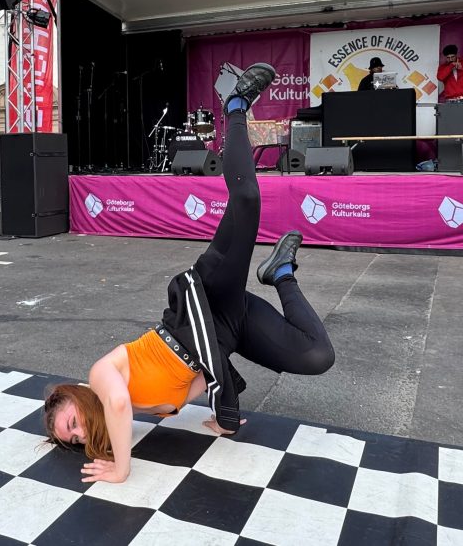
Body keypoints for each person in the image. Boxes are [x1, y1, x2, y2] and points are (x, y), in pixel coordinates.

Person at [43, 64, 335, 484]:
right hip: (229, 328)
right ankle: (282, 272)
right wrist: (222, 414)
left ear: (74, 397)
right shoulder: (144, 408)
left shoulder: (101, 377)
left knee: (247, 199)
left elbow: (120, 407)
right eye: (73, 439)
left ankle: (235, 106)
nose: (79, 433)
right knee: (317, 357)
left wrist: (121, 470)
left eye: (71, 423)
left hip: (205, 299)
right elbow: (201, 373)